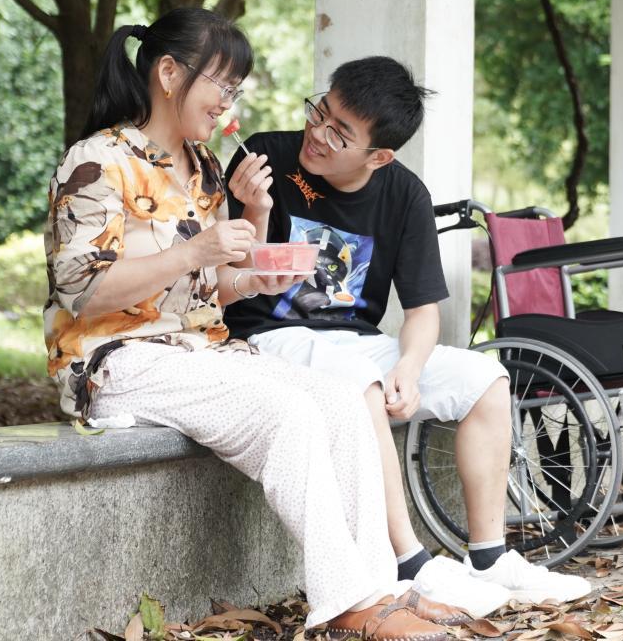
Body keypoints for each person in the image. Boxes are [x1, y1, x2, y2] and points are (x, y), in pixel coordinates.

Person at [43, 10, 466, 641]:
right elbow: (82, 291)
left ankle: (383, 590)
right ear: (169, 74)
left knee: (344, 403)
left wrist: (250, 280)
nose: (228, 103)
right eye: (223, 85)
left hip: (200, 353)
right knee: (288, 414)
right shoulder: (98, 160)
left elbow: (208, 286)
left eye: (235, 90)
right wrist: (193, 251)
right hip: (116, 360)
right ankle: (346, 603)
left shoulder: (203, 165)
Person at [223, 56, 592, 615]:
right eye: (320, 112)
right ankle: (409, 563)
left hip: (353, 338)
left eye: (340, 133)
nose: (317, 134)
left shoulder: (405, 195)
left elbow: (423, 312)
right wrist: (254, 208)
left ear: (379, 156)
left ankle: (489, 557)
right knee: (363, 382)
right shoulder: (264, 157)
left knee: (486, 378)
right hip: (269, 335)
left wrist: (410, 369)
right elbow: (228, 275)